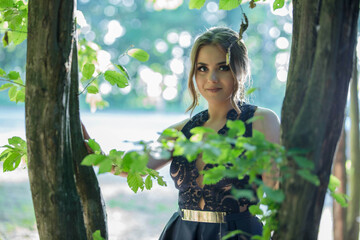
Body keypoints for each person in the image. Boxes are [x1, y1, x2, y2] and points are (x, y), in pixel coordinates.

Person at [84, 26, 280, 240]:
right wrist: (89, 144)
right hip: (181, 234)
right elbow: (137, 168)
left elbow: (278, 195)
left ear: (240, 69)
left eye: (222, 67)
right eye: (202, 68)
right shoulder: (179, 132)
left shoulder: (261, 121)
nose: (211, 78)